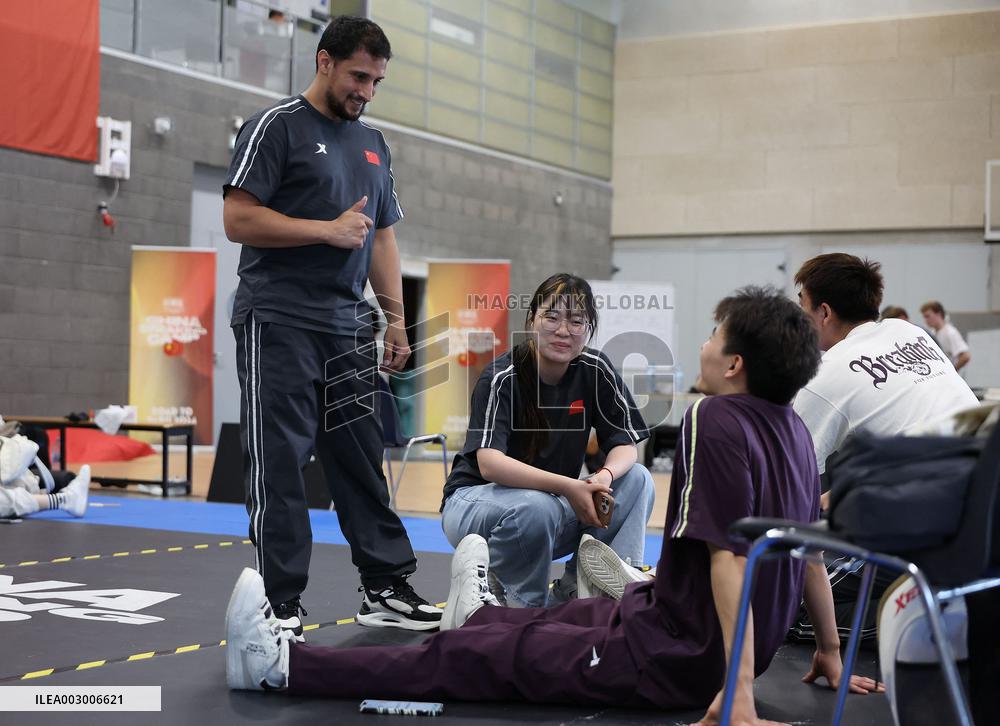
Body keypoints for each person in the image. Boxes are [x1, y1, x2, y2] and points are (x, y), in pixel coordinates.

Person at [224, 286, 882, 724]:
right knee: (541, 621)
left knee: (472, 661)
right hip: (667, 625)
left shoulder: (713, 418)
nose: (704, 344)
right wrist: (830, 648)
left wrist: (736, 697)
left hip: (677, 659)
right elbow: (808, 556)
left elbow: (730, 561)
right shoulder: (794, 429)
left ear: (733, 364)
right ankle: (482, 614)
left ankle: (281, 667)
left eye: (714, 335)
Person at [221, 15, 440, 636]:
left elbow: (382, 236)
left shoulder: (374, 145)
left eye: (376, 81)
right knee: (281, 463)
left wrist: (397, 322)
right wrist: (324, 230)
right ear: (324, 61)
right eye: (358, 76)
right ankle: (280, 603)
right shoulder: (276, 127)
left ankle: (385, 585)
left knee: (361, 459)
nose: (367, 91)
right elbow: (239, 219)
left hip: (348, 328)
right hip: (279, 318)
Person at [440, 273, 656, 607]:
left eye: (576, 320)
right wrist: (571, 487)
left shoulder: (595, 369)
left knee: (638, 479)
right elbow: (489, 463)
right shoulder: (502, 376)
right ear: (531, 320)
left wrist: (603, 477)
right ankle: (519, 601)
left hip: (551, 507)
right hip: (475, 505)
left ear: (589, 328)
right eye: (551, 317)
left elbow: (626, 445)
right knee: (535, 506)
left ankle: (587, 588)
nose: (563, 330)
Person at [793, 254, 978, 488]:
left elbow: (794, 474)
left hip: (935, 497)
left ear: (825, 313)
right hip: (985, 474)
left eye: (802, 306)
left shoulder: (826, 372)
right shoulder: (911, 332)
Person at [920, 300, 971, 372]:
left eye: (928, 316)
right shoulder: (933, 333)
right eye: (924, 317)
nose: (926, 320)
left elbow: (965, 356)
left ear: (938, 314)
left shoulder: (950, 332)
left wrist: (951, 371)